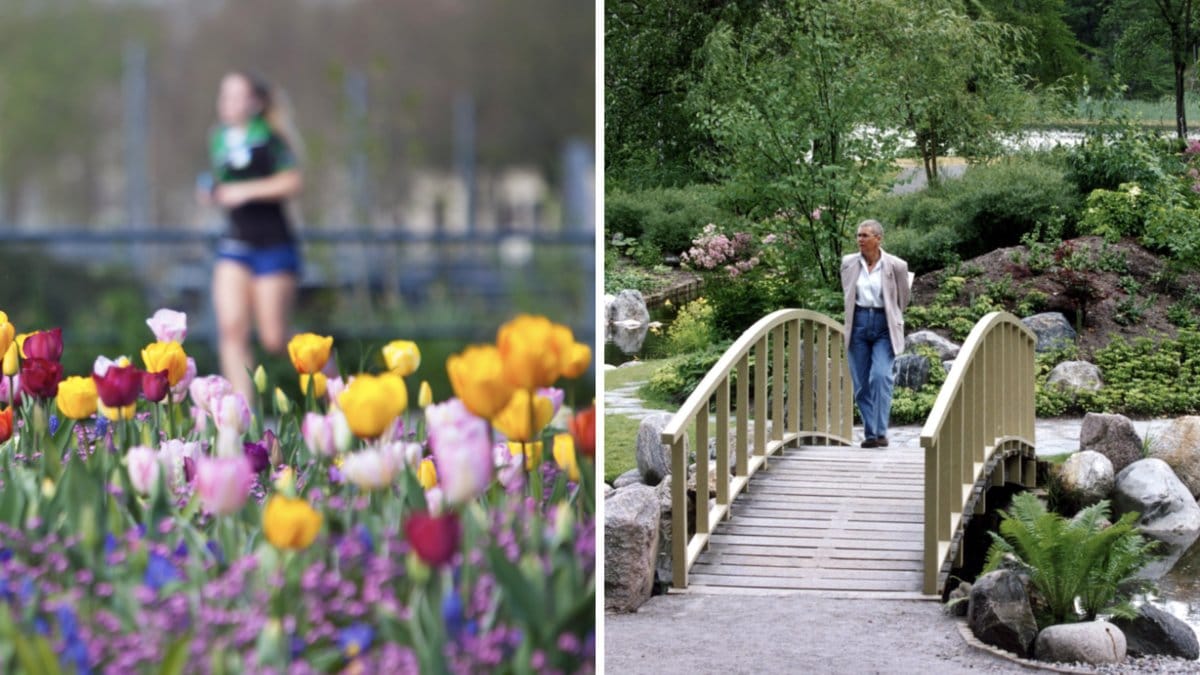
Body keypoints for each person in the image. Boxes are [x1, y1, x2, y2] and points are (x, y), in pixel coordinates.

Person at [198, 71, 304, 400]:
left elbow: (292, 182)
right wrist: (209, 190)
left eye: (235, 96)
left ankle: (333, 380)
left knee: (274, 338)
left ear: (254, 102)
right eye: (223, 95)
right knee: (231, 329)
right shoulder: (218, 138)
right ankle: (241, 417)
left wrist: (245, 191)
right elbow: (221, 181)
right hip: (234, 245)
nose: (226, 103)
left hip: (273, 245)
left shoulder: (270, 138)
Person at [840, 219, 910, 448]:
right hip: (858, 322)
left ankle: (880, 431)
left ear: (878, 239)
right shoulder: (848, 263)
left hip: (883, 324)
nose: (860, 240)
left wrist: (891, 316)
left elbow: (903, 299)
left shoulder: (897, 266)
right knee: (861, 383)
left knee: (880, 376)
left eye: (865, 236)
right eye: (858, 235)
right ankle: (871, 434)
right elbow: (848, 294)